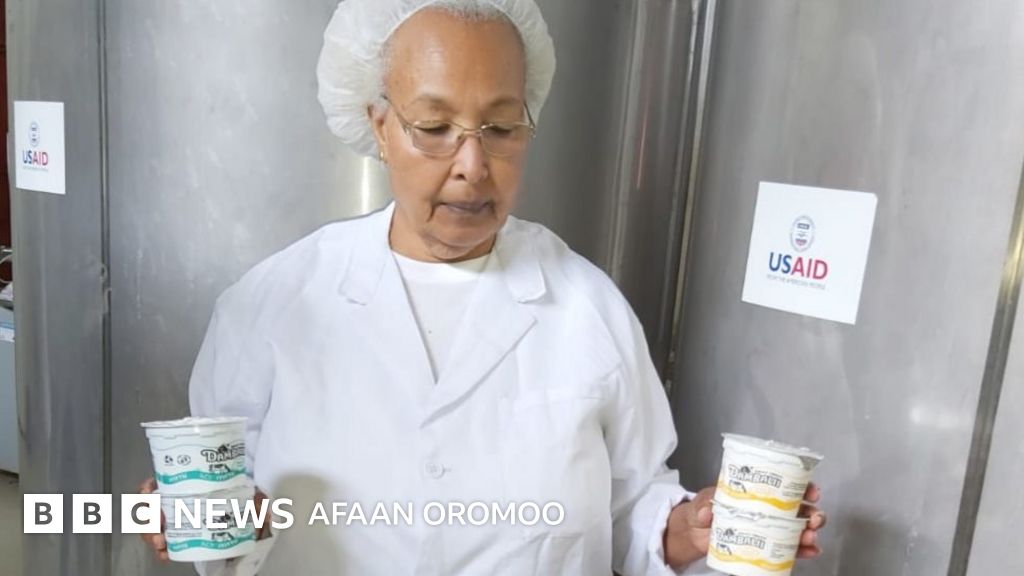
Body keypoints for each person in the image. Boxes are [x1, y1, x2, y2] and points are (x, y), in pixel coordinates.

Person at [141, 0, 826, 574]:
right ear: (380, 126)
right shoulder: (274, 304)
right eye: (434, 128)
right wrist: (205, 522)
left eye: (500, 127)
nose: (472, 164)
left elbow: (630, 508)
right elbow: (223, 513)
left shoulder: (585, 307)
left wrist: (691, 528)